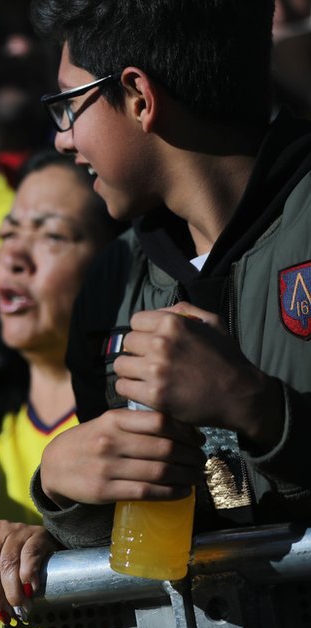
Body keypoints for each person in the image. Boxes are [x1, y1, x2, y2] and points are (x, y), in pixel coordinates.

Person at [26, 0, 311, 551]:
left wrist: (260, 409)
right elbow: (137, 544)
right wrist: (62, 499)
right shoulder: (111, 280)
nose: (62, 138)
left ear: (139, 97)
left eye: (70, 104)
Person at [0, 150, 125, 623]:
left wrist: (63, 546)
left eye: (51, 235)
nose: (14, 257)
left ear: (113, 262)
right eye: (7, 234)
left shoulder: (134, 419)